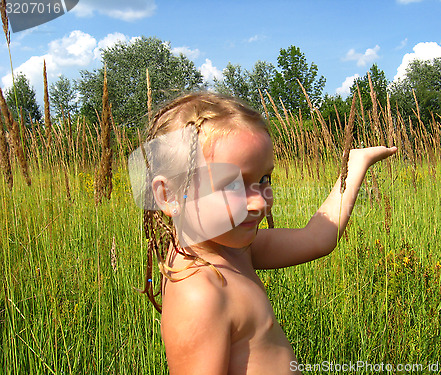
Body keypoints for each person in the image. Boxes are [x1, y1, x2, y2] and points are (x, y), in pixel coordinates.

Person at [128, 92, 397, 374]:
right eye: (231, 185)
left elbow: (317, 238)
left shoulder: (235, 249)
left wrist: (354, 166)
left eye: (264, 179)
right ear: (168, 194)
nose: (259, 202)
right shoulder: (199, 293)